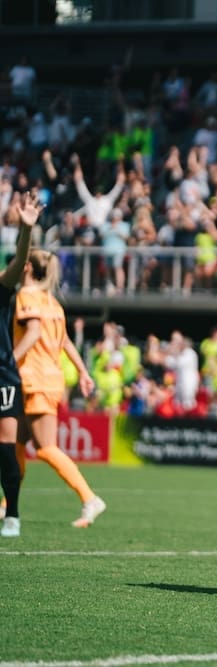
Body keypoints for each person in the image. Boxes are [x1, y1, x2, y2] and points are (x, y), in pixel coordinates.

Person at [13, 248, 100, 529]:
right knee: (15, 443)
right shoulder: (52, 302)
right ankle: (7, 504)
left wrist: (7, 361)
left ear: (26, 267)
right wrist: (83, 371)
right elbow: (65, 342)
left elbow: (34, 333)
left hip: (35, 378)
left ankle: (90, 499)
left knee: (45, 448)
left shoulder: (28, 297)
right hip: (42, 378)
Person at [0, 192, 41, 537]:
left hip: (1, 375)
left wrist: (26, 231)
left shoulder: (1, 286)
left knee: (5, 445)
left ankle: (11, 513)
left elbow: (17, 265)